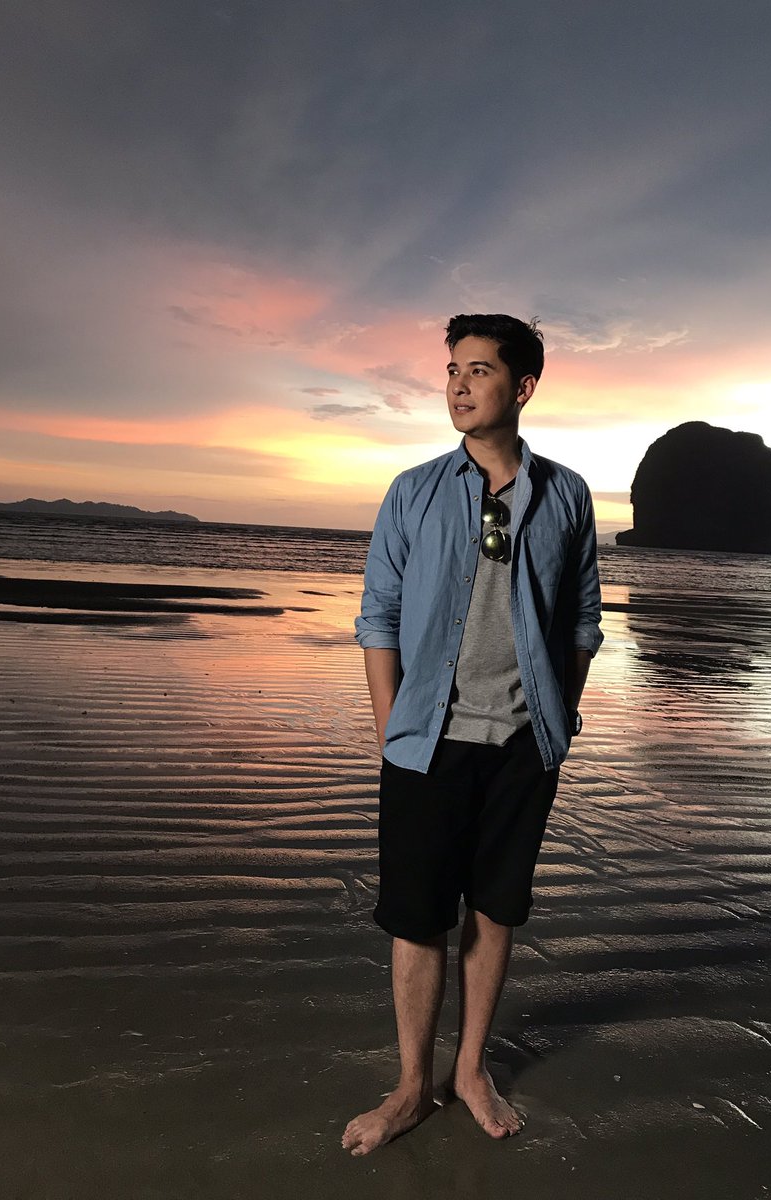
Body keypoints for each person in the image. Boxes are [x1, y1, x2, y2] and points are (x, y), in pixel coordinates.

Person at [342, 313, 603, 1156]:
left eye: (479, 370)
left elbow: (583, 621)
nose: (458, 384)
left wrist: (560, 718)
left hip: (524, 745)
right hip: (426, 741)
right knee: (417, 918)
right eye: (452, 369)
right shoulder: (413, 491)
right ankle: (410, 1086)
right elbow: (378, 614)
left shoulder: (567, 495)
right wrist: (390, 727)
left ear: (522, 387)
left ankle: (470, 1070)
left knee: (495, 911)